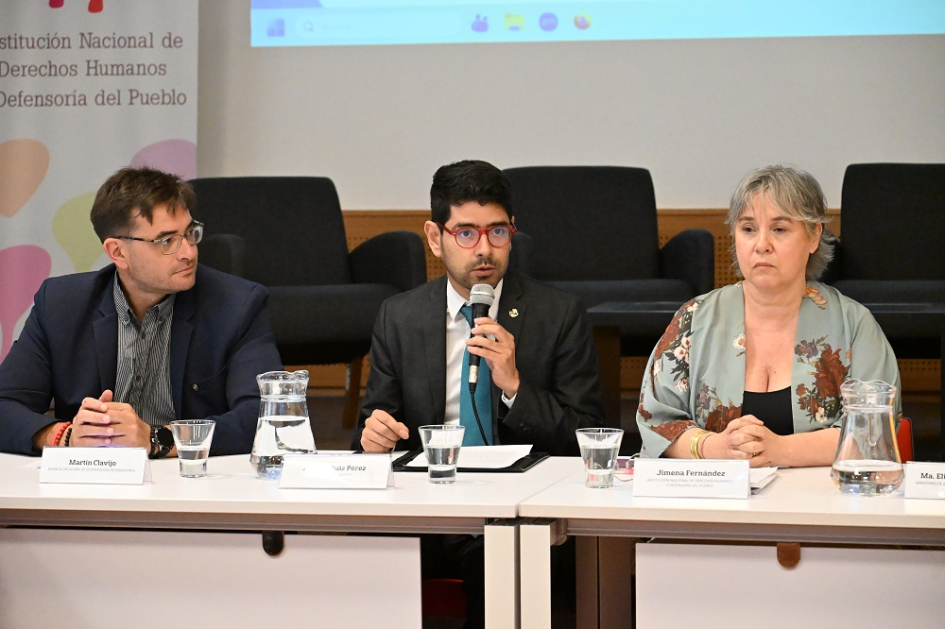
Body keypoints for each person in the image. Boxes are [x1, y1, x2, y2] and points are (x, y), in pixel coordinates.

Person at [353, 159, 605, 628]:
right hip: (427, 506)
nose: (484, 249)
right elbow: (370, 436)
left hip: (521, 509)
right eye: (466, 233)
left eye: (498, 232)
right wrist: (374, 440)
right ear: (435, 237)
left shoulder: (559, 314)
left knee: (497, 562)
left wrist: (514, 386)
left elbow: (590, 438)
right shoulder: (400, 317)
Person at [0, 166, 282, 457]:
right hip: (92, 482)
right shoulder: (61, 305)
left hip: (189, 481)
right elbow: (5, 405)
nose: (188, 252)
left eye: (189, 234)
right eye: (167, 241)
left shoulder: (237, 305)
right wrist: (67, 436)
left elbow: (266, 417)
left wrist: (158, 439)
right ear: (117, 252)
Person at [636, 164, 900, 467]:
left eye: (779, 229)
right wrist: (717, 446)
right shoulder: (694, 319)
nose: (761, 245)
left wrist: (779, 450)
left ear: (814, 236)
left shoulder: (853, 324)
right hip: (716, 505)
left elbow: (875, 431)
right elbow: (656, 422)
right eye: (748, 229)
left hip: (821, 503)